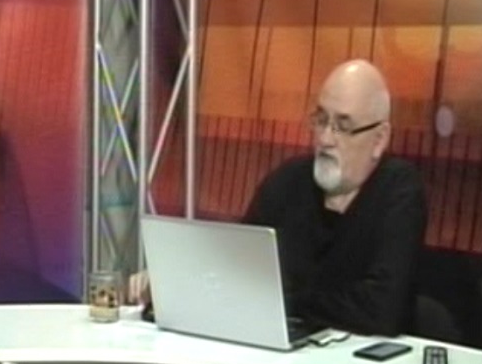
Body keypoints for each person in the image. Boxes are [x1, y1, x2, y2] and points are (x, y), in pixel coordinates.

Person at [129, 59, 426, 337]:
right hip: (284, 355)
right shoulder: (288, 181)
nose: (325, 139)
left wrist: (277, 300)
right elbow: (235, 269)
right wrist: (172, 281)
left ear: (379, 140)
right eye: (320, 120)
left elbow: (382, 310)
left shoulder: (400, 191)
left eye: (342, 127)